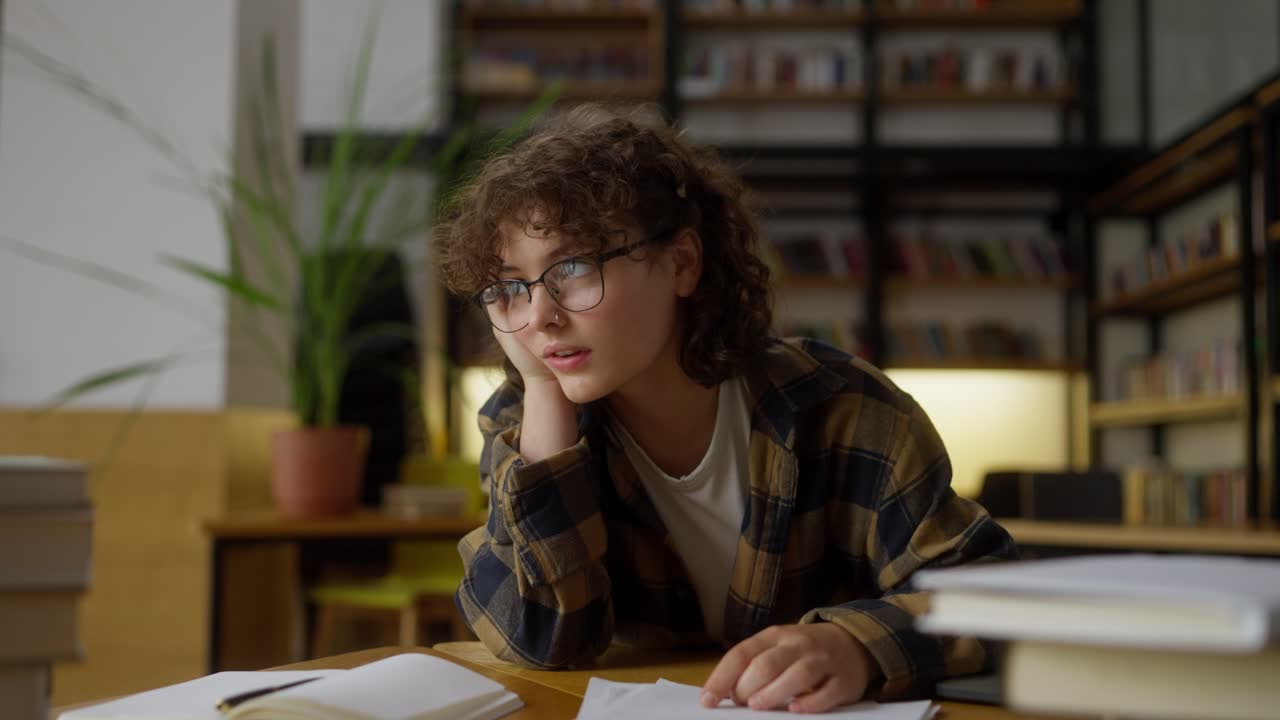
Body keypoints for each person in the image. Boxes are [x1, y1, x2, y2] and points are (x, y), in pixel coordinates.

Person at [434, 105, 1016, 713]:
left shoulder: (843, 407)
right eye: (509, 288)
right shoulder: (525, 427)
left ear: (682, 262)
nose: (539, 316)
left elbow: (995, 602)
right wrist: (544, 386)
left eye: (572, 268)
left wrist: (857, 646)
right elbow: (538, 640)